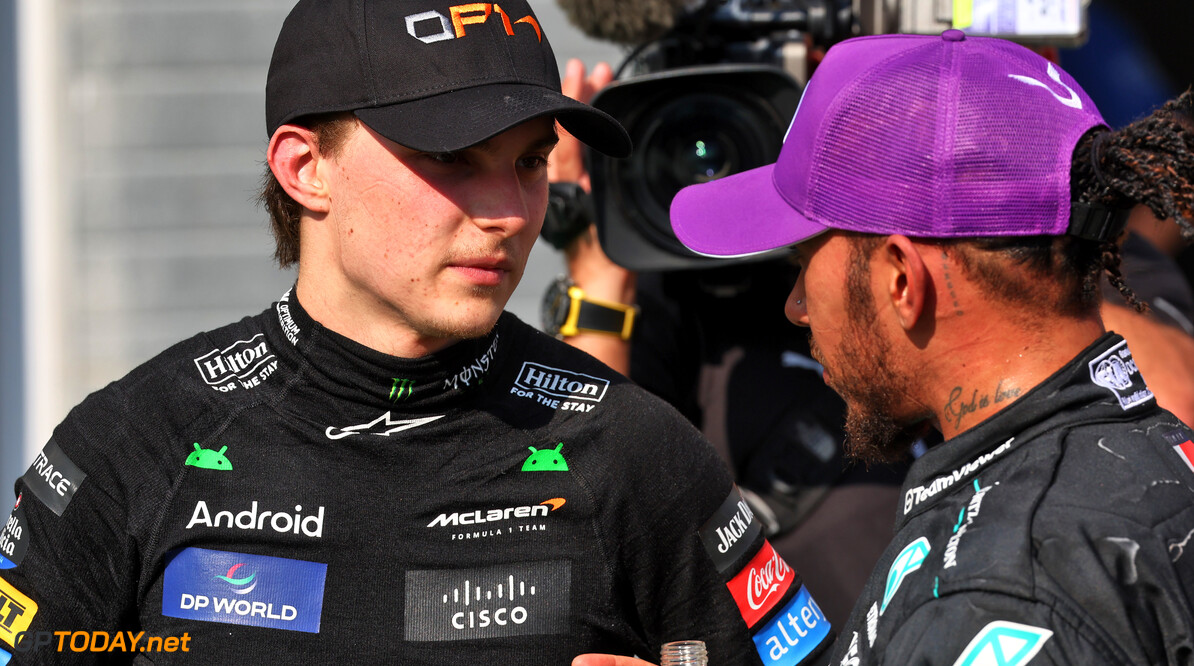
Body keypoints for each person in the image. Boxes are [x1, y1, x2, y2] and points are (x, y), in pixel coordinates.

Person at [0, 1, 829, 663]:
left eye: (531, 161)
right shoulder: (132, 449)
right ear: (304, 168)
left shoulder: (635, 452)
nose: (509, 213)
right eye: (453, 157)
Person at [577, 30, 1194, 666]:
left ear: (902, 278)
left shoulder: (999, 589)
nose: (795, 305)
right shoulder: (1149, 455)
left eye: (803, 259)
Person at [548, 59, 910, 628]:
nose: (798, 307)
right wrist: (600, 264)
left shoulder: (893, 235)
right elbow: (587, 514)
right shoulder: (658, 299)